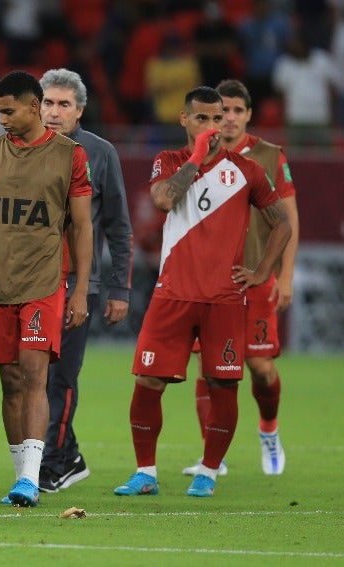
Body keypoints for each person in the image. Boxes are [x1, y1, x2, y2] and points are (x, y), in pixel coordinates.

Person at [113, 86, 291, 499]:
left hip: (224, 299)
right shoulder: (169, 162)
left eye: (218, 118)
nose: (213, 126)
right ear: (184, 120)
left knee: (223, 384)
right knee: (148, 381)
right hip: (172, 294)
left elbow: (281, 221)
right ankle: (145, 473)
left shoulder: (247, 170)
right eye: (203, 118)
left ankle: (208, 473)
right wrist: (196, 158)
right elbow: (162, 200)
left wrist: (263, 270)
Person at [0, 68, 132, 493]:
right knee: (16, 379)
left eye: (64, 105)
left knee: (54, 379)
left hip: (66, 282)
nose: (55, 112)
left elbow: (111, 226)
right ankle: (60, 458)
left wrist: (111, 287)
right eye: (51, 102)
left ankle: (47, 468)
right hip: (6, 282)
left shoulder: (92, 154)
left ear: (79, 110)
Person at [0, 70, 93, 508]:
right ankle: (22, 476)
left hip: (43, 282)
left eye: (8, 111)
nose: (1, 119)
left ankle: (31, 479)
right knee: (9, 380)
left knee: (35, 374)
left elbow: (83, 226)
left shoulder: (70, 155)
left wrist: (81, 289)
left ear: (34, 107)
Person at [182, 79, 300, 478]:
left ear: (249, 115)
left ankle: (269, 429)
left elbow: (289, 221)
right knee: (209, 368)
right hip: (210, 281)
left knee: (261, 366)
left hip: (256, 278)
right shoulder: (199, 155)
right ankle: (211, 456)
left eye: (236, 111)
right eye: (222, 111)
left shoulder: (269, 155)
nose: (228, 118)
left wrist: (285, 275)